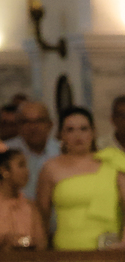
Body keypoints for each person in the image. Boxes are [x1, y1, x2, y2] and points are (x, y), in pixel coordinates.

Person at [36, 107, 125, 251]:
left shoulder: (113, 161)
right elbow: (41, 216)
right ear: (61, 135)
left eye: (84, 129)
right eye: (70, 130)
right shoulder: (50, 168)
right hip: (65, 250)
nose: (78, 135)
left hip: (109, 249)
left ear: (93, 132)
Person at [0, 146, 48, 251]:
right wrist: (4, 241)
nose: (26, 171)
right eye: (21, 165)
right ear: (4, 170)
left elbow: (42, 243)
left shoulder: (29, 205)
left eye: (26, 166)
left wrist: (24, 243)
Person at [2, 99, 60, 198]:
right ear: (18, 126)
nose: (33, 127)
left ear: (50, 125)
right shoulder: (4, 153)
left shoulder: (61, 151)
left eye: (39, 121)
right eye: (26, 122)